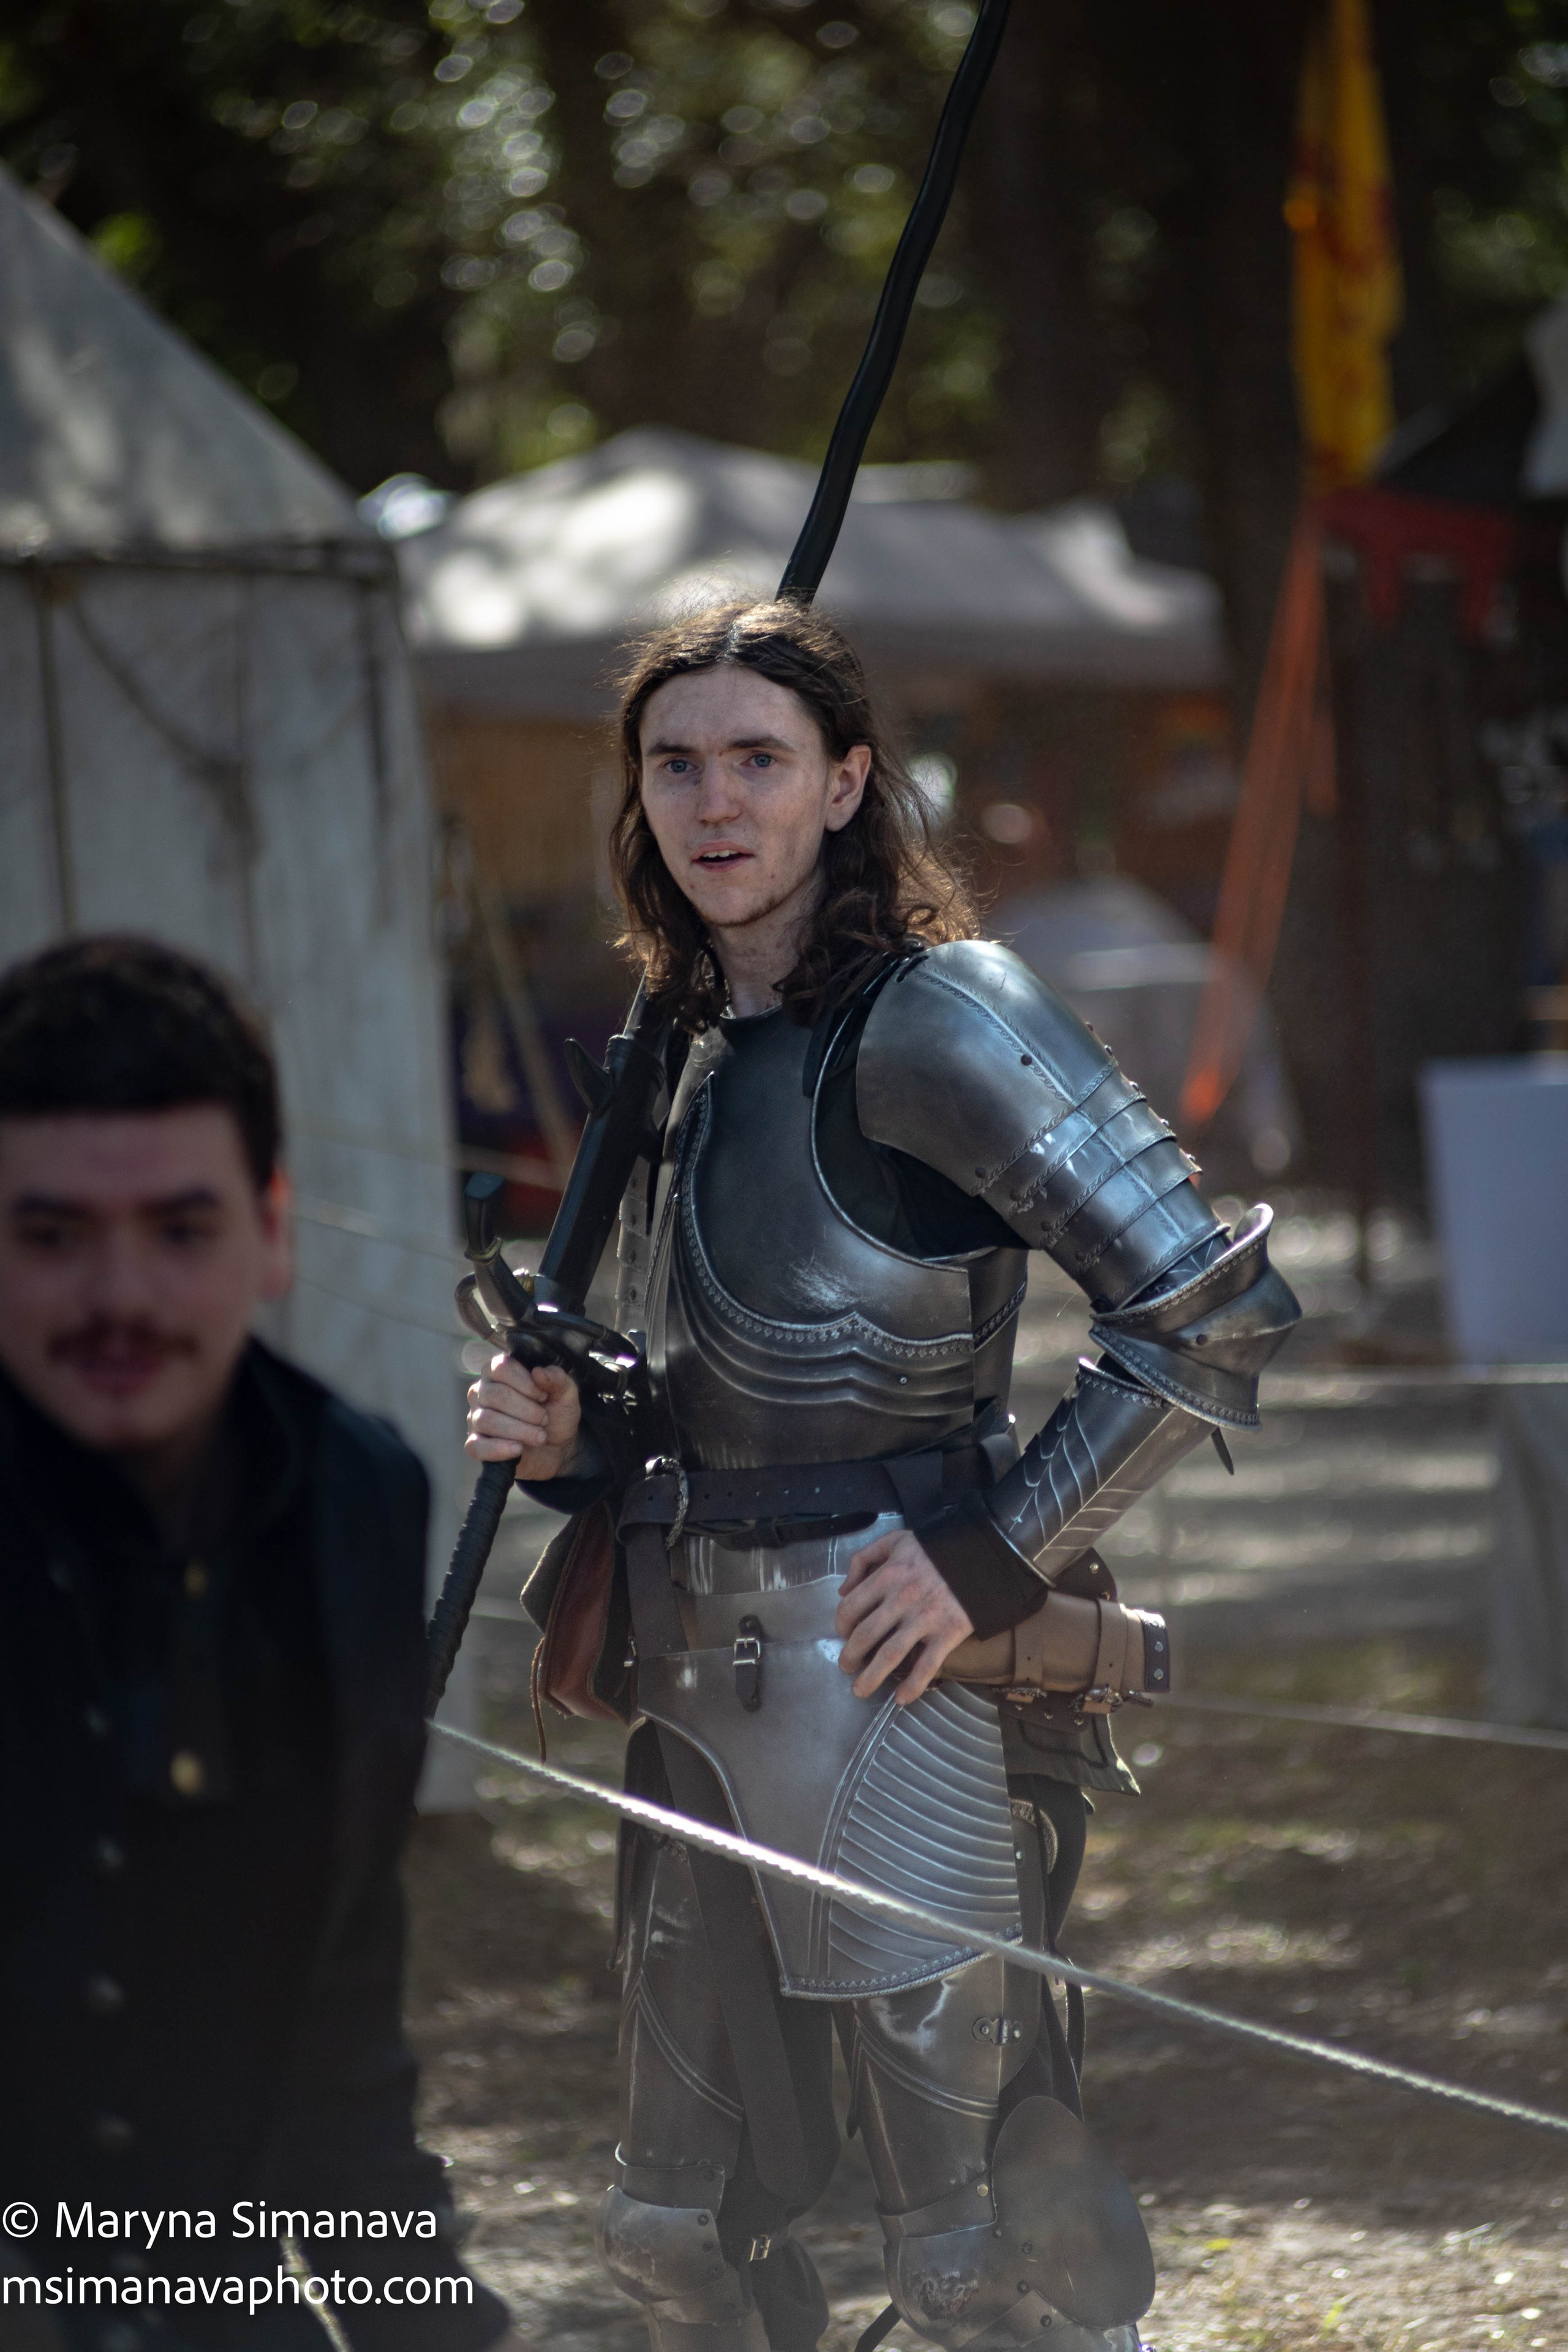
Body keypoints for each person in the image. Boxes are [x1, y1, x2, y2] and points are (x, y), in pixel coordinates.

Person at [468, 603, 1300, 2352]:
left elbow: (1209, 1306)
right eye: (676, 761)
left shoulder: (944, 1019)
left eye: (759, 760)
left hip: (900, 1682)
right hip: (698, 1693)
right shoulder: (681, 1056)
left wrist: (995, 1555)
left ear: (847, 783)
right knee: (665, 2236)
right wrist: (577, 1450)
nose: (716, 802)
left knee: (975, 2265)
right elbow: (722, 1404)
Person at [0, 937, 516, 2352]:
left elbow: (334, 2030)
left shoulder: (355, 1500)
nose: (123, 1297)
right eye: (52, 1236)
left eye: (181, 1230)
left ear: (271, 1229)